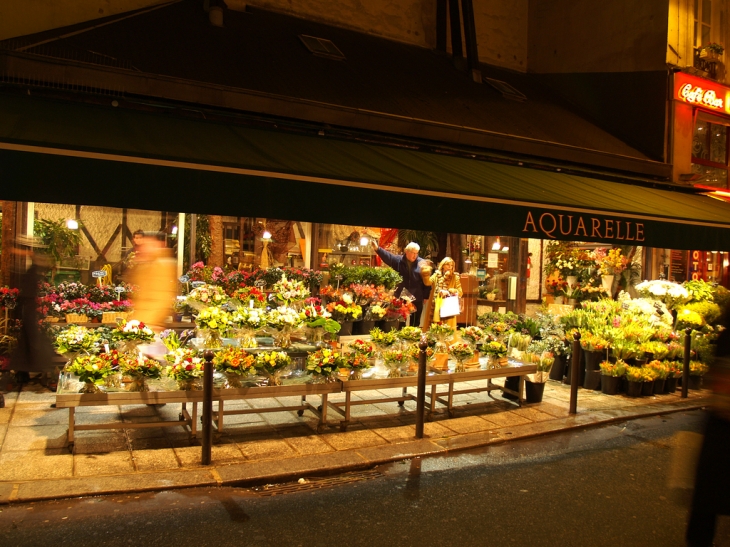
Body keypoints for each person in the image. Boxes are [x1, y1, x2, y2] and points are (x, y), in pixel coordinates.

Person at [686, 306, 730, 547]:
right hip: (721, 428)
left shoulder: (725, 338)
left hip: (719, 430)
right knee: (710, 492)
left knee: (708, 494)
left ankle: (699, 537)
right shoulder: (726, 339)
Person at [9, 239, 58, 388]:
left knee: (31, 340)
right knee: (30, 340)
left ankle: (30, 370)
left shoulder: (34, 271)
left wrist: (20, 250)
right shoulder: (34, 272)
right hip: (28, 309)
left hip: (28, 308)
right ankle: (27, 371)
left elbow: (34, 256)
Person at [371, 241, 431, 327]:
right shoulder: (398, 260)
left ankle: (414, 337)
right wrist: (377, 249)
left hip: (417, 296)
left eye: (416, 253)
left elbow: (427, 281)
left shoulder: (422, 263)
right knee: (400, 320)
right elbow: (388, 257)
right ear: (406, 251)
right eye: (413, 253)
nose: (415, 255)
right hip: (401, 297)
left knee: (415, 322)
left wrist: (426, 295)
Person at [127, 231, 177, 331]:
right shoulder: (144, 267)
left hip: (153, 323)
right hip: (142, 321)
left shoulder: (163, 267)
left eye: (147, 245)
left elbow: (162, 298)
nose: (142, 249)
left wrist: (152, 321)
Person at [424, 257, 463, 329]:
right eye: (448, 265)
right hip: (435, 304)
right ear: (443, 265)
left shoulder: (455, 277)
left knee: (446, 328)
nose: (450, 267)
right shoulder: (436, 275)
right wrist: (425, 272)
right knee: (433, 325)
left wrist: (448, 291)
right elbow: (428, 282)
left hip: (447, 305)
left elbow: (460, 292)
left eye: (452, 265)